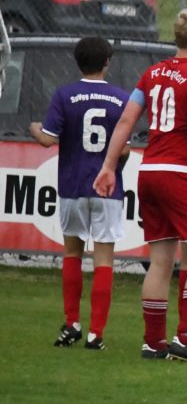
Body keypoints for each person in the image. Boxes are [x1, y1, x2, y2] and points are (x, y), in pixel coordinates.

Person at [93, 6, 187, 364]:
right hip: (180, 172)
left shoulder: (152, 73)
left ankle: (153, 342)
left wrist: (109, 166)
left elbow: (126, 119)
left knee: (161, 260)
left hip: (149, 170)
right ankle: (186, 340)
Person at [30, 37, 129, 350]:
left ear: (77, 62)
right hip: (107, 189)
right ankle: (96, 333)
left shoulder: (65, 94)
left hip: (72, 186)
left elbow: (47, 140)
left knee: (72, 253)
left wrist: (35, 128)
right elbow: (125, 148)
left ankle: (71, 323)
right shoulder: (120, 98)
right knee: (104, 259)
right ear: (107, 63)